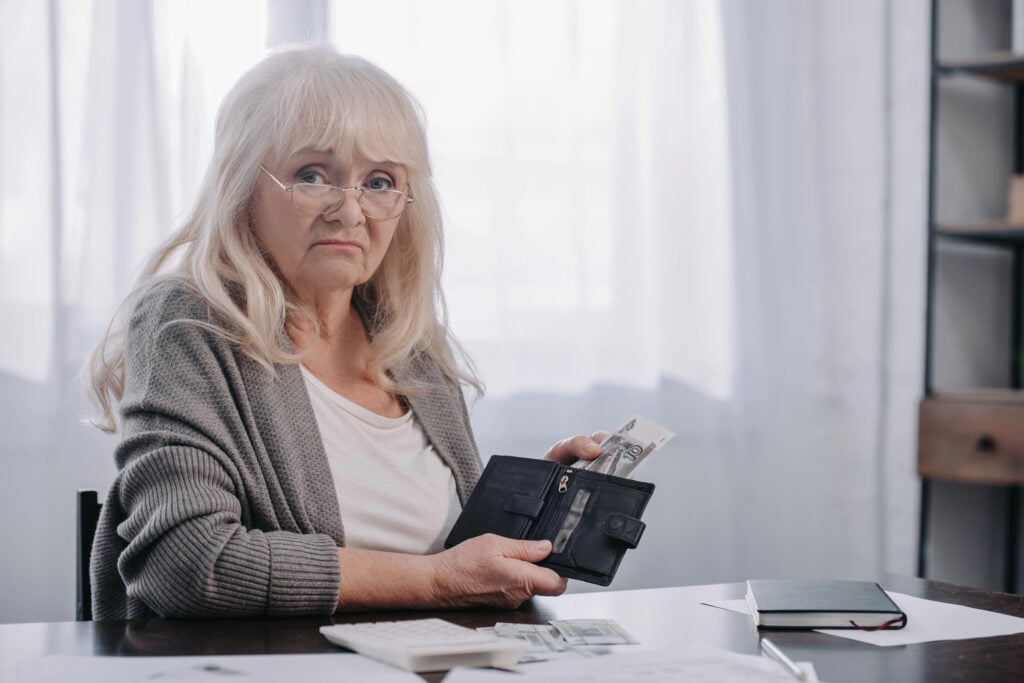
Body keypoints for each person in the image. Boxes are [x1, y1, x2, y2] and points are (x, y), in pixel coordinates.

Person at [86, 44, 604, 620]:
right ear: (244, 188)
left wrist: (521, 514)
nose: (350, 211)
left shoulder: (410, 348)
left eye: (380, 181)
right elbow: (188, 564)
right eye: (313, 175)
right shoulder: (188, 319)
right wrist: (435, 582)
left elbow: (449, 560)